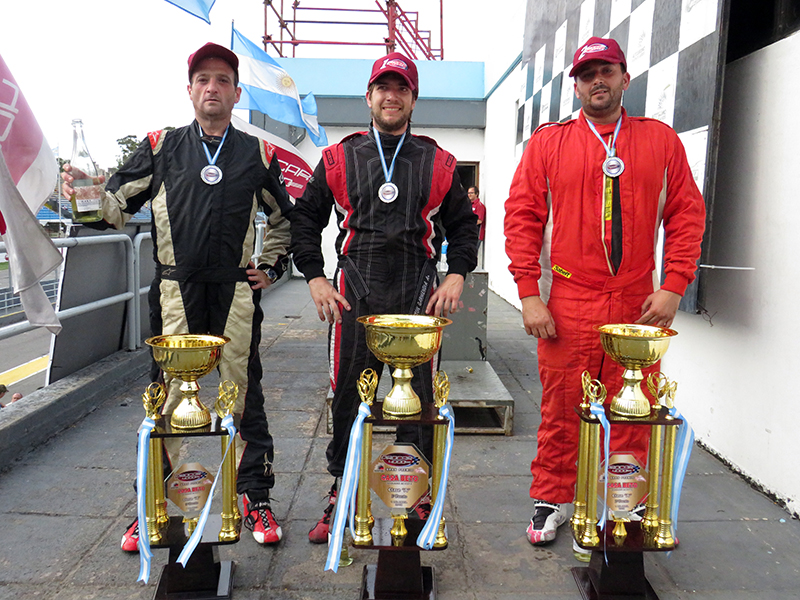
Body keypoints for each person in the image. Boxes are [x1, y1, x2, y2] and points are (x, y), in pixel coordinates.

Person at [61, 42, 293, 549]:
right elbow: (114, 208)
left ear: (236, 93)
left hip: (233, 292)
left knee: (244, 398)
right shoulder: (161, 145)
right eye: (203, 79)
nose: (212, 87)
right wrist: (83, 190)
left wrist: (270, 267)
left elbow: (285, 219)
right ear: (189, 90)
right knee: (163, 400)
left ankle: (254, 498)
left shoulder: (256, 153)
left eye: (222, 80)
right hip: (175, 290)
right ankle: (154, 506)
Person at [504, 37, 705, 556]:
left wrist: (673, 284)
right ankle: (553, 497)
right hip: (571, 297)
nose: (599, 80)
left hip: (639, 299)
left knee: (632, 404)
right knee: (562, 403)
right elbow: (522, 217)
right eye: (588, 72)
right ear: (576, 83)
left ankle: (626, 497)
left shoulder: (659, 141)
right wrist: (530, 293)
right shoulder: (549, 143)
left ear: (624, 79)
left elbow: (686, 213)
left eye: (608, 71)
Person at [290, 52, 479, 543]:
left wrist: (456, 275)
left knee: (417, 399)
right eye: (382, 87)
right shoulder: (337, 157)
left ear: (413, 99)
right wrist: (314, 277)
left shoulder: (438, 160)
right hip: (355, 288)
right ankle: (342, 489)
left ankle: (417, 495)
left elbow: (464, 227)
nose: (391, 96)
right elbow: (305, 220)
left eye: (401, 88)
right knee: (350, 393)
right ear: (368, 97)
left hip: (418, 289)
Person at [468, 186, 486, 267]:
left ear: (476, 194)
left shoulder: (479, 206)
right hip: (468, 233)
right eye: (468, 193)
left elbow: (480, 220)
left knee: (473, 252)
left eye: (471, 193)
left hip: (476, 234)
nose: (469, 195)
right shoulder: (468, 205)